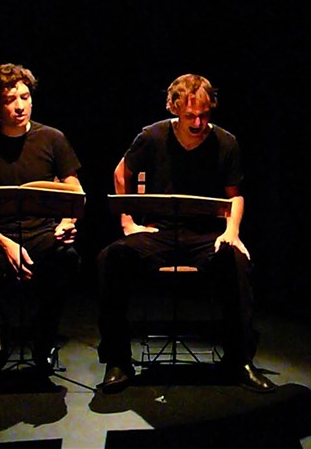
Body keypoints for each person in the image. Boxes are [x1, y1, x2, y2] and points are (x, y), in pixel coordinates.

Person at [96, 73, 276, 394]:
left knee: (236, 261)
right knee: (112, 258)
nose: (198, 122)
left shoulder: (226, 142)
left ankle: (239, 360)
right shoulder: (152, 136)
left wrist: (232, 232)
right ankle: (118, 360)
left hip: (205, 234)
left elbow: (235, 195)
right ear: (174, 107)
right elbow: (121, 173)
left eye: (204, 114)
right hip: (159, 231)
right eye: (190, 115)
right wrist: (128, 222)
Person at [0, 63, 83, 374]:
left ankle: (43, 336)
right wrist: (5, 243)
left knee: (66, 259)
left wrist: (67, 223)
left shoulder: (52, 138)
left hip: (41, 231)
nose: (20, 106)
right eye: (10, 100)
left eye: (25, 97)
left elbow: (74, 191)